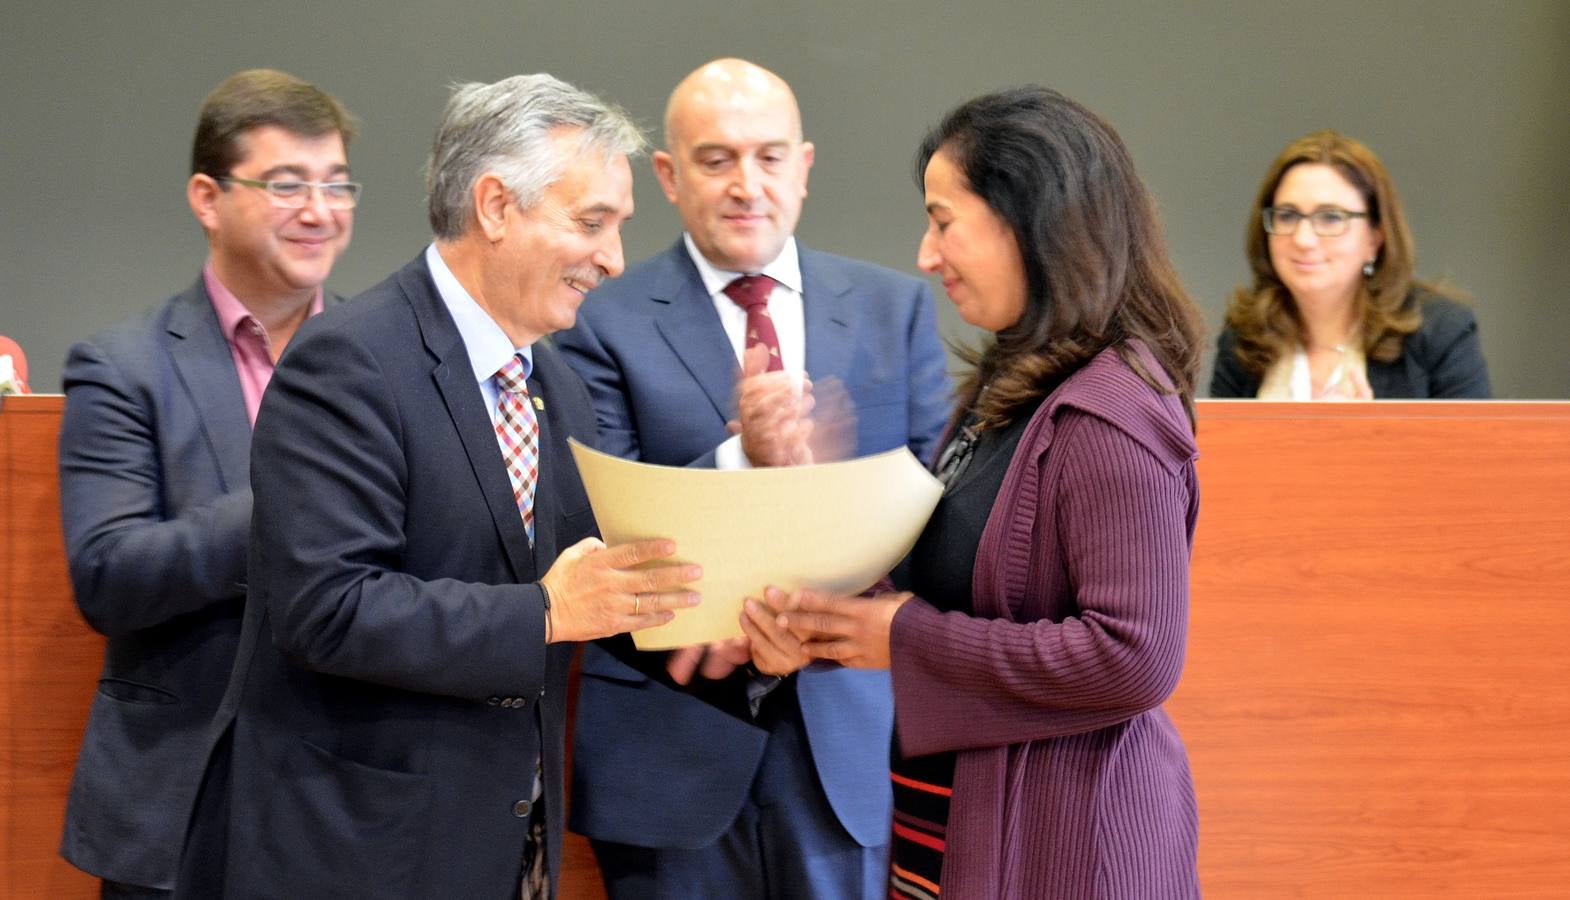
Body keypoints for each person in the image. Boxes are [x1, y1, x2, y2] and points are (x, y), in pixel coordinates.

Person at [200, 74, 699, 898]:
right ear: (497, 206)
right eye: (591, 222)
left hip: (510, 846)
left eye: (619, 228)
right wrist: (548, 611)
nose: (613, 259)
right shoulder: (349, 361)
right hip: (364, 853)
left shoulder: (560, 387)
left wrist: (716, 630)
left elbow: (582, 590)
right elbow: (328, 609)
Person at [748, 86, 1206, 897]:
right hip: (964, 818)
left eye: (943, 220)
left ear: (1029, 219)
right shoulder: (1012, 385)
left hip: (1069, 844)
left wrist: (901, 637)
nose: (927, 255)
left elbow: (1136, 658)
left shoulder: (1111, 412)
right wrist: (825, 627)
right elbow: (954, 598)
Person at [554, 57, 951, 899]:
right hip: (672, 749)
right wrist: (744, 458)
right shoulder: (595, 315)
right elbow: (594, 515)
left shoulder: (895, 307)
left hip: (847, 743)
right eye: (715, 159)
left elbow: (937, 516)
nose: (747, 184)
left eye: (770, 157)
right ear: (666, 175)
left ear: (804, 167)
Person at [55, 69, 357, 898]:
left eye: (336, 185)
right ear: (207, 196)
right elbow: (108, 577)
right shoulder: (124, 366)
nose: (320, 210)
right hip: (187, 802)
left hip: (357, 798)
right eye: (287, 184)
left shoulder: (390, 360)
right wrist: (288, 510)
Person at [1211, 129, 1491, 399]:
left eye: (1331, 218)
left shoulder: (1441, 331)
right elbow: (1214, 447)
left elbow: (1476, 448)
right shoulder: (1244, 337)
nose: (1303, 239)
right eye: (1287, 215)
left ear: (1375, 237)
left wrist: (1365, 437)